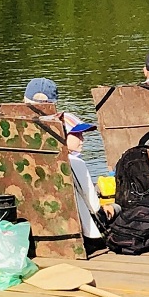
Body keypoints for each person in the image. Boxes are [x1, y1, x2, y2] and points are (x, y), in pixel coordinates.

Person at [23, 77, 105, 252]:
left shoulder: (14, 144)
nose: (83, 140)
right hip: (73, 234)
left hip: (27, 230)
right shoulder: (72, 162)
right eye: (78, 135)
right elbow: (94, 206)